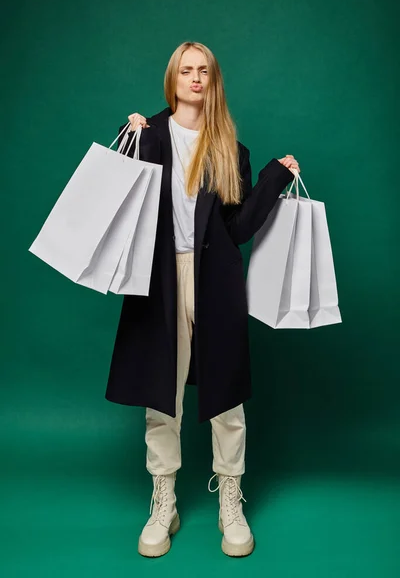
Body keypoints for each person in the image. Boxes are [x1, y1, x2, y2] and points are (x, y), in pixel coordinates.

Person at [105, 41, 300, 558]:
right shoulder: (149, 134)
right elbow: (119, 203)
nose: (195, 78)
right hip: (160, 277)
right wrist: (127, 140)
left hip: (214, 278)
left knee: (226, 396)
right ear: (173, 80)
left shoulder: (229, 149)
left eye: (204, 71)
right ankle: (163, 499)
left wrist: (275, 178)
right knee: (159, 394)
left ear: (213, 81)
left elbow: (236, 229)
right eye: (186, 70)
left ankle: (230, 499)